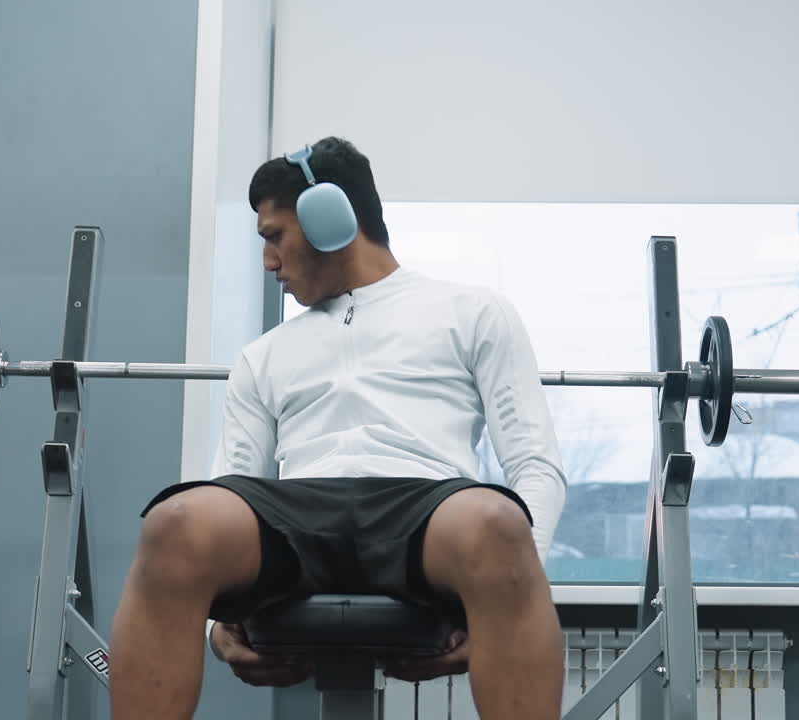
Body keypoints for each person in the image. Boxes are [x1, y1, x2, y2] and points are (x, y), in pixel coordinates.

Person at [109, 137, 568, 720]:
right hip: (292, 513)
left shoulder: (471, 312)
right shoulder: (264, 354)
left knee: (500, 521)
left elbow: (535, 465)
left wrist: (513, 588)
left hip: (425, 509)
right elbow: (233, 486)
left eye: (275, 236)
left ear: (330, 219)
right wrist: (218, 626)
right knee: (174, 522)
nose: (267, 259)